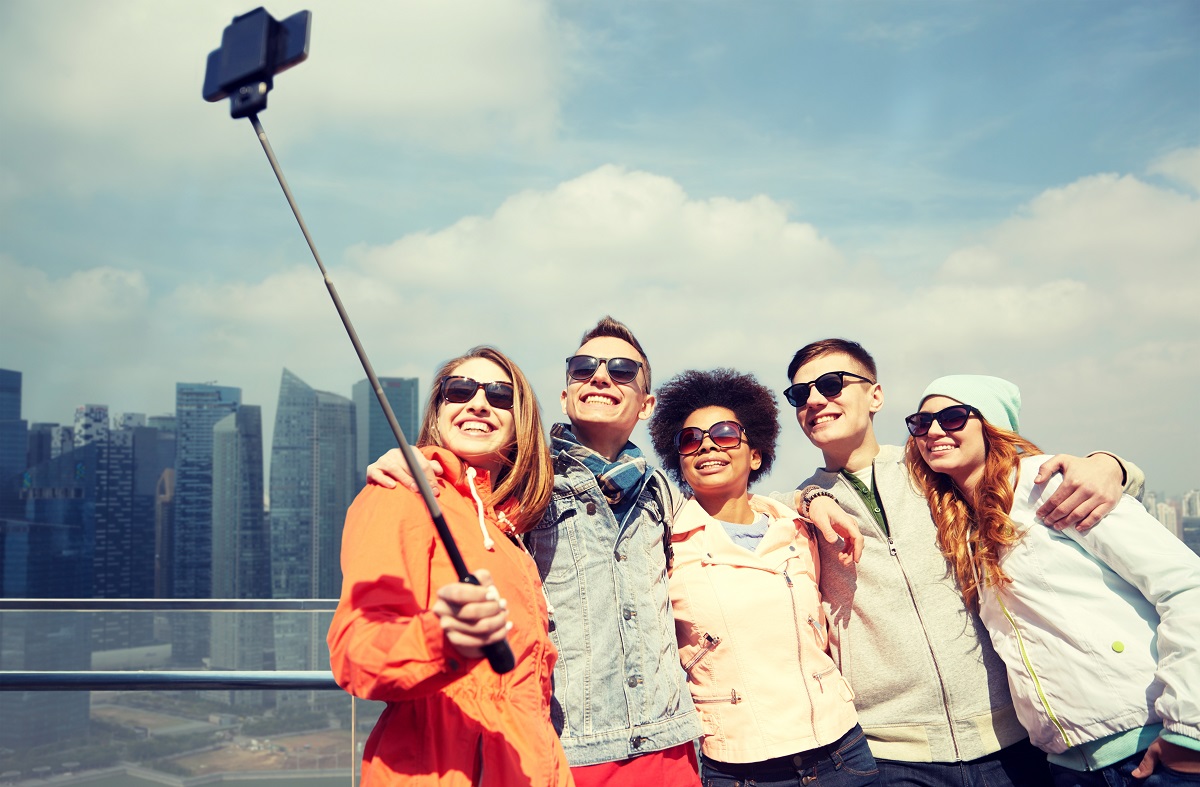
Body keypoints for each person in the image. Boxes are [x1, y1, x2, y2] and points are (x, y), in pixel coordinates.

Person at [779, 338, 1145, 787]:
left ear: (875, 395)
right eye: (799, 394)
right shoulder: (792, 511)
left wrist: (1114, 466)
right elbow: (741, 509)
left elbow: (1029, 475)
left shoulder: (935, 466)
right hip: (892, 751)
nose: (815, 400)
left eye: (832, 385)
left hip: (1011, 737)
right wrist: (808, 495)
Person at [366, 318, 703, 787]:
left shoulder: (661, 492)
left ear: (646, 405)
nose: (601, 376)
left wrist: (811, 497)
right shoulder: (525, 482)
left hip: (671, 746)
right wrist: (415, 458)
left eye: (622, 370)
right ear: (565, 395)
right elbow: (468, 477)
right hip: (570, 749)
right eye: (584, 367)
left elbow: (734, 514)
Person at [904, 374, 1200, 786]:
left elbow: (1185, 585)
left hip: (1150, 748)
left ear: (991, 426)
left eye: (953, 417)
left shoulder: (1048, 485)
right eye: (920, 422)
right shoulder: (959, 525)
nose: (933, 430)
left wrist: (1189, 729)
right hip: (1067, 768)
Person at [327, 346, 572, 786]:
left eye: (499, 396)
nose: (477, 403)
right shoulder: (401, 494)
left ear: (521, 423)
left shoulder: (509, 532)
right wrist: (444, 638)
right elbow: (356, 654)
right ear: (437, 412)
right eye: (459, 391)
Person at [647, 368, 879, 787]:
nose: (707, 446)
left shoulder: (800, 528)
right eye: (690, 440)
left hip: (839, 749)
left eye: (725, 434)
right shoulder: (664, 543)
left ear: (756, 454)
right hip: (738, 764)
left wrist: (812, 497)